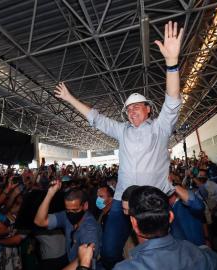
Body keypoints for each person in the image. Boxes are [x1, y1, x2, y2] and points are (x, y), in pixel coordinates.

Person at [55, 21, 184, 268]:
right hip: (121, 202)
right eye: (128, 108)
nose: (132, 111)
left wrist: (171, 63)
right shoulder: (122, 130)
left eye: (137, 107)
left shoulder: (160, 127)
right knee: (111, 250)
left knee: (171, 253)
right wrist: (70, 98)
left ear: (148, 109)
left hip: (154, 203)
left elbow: (172, 100)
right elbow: (96, 117)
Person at [78, 186, 217, 270]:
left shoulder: (127, 268)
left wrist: (84, 266)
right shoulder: (199, 255)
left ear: (134, 223)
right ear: (170, 217)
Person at [34, 180, 101, 270]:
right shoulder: (66, 216)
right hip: (69, 259)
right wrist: (50, 194)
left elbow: (84, 260)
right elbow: (40, 221)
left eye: (75, 210)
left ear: (85, 206)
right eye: (68, 210)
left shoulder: (90, 229)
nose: (71, 214)